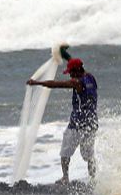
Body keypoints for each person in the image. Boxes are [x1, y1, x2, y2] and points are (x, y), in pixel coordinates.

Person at [28, 56, 98, 184]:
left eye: (71, 72)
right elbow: (77, 66)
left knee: (65, 152)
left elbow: (56, 84)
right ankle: (93, 179)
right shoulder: (90, 77)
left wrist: (37, 83)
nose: (70, 75)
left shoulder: (76, 83)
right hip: (91, 123)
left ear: (76, 72)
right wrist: (64, 54)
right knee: (89, 156)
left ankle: (65, 177)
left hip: (77, 124)